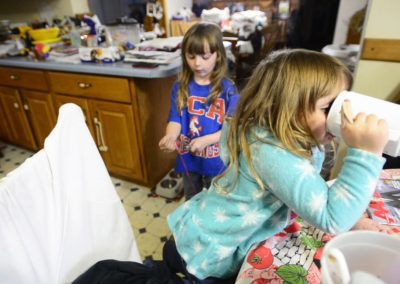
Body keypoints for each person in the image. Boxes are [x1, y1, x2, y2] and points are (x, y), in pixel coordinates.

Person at [163, 49, 389, 282]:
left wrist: (354, 219)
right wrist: (365, 154)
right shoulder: (274, 153)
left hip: (203, 229)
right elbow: (331, 218)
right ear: (287, 109)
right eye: (328, 108)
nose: (341, 117)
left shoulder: (290, 138)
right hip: (207, 250)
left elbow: (311, 191)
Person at [159, 22, 239, 200]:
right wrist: (171, 136)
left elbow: (233, 127)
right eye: (191, 56)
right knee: (191, 202)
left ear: (218, 55)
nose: (197, 63)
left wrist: (207, 140)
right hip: (189, 159)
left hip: (217, 162)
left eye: (205, 56)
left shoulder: (228, 89)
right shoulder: (179, 87)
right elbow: (175, 119)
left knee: (216, 204)